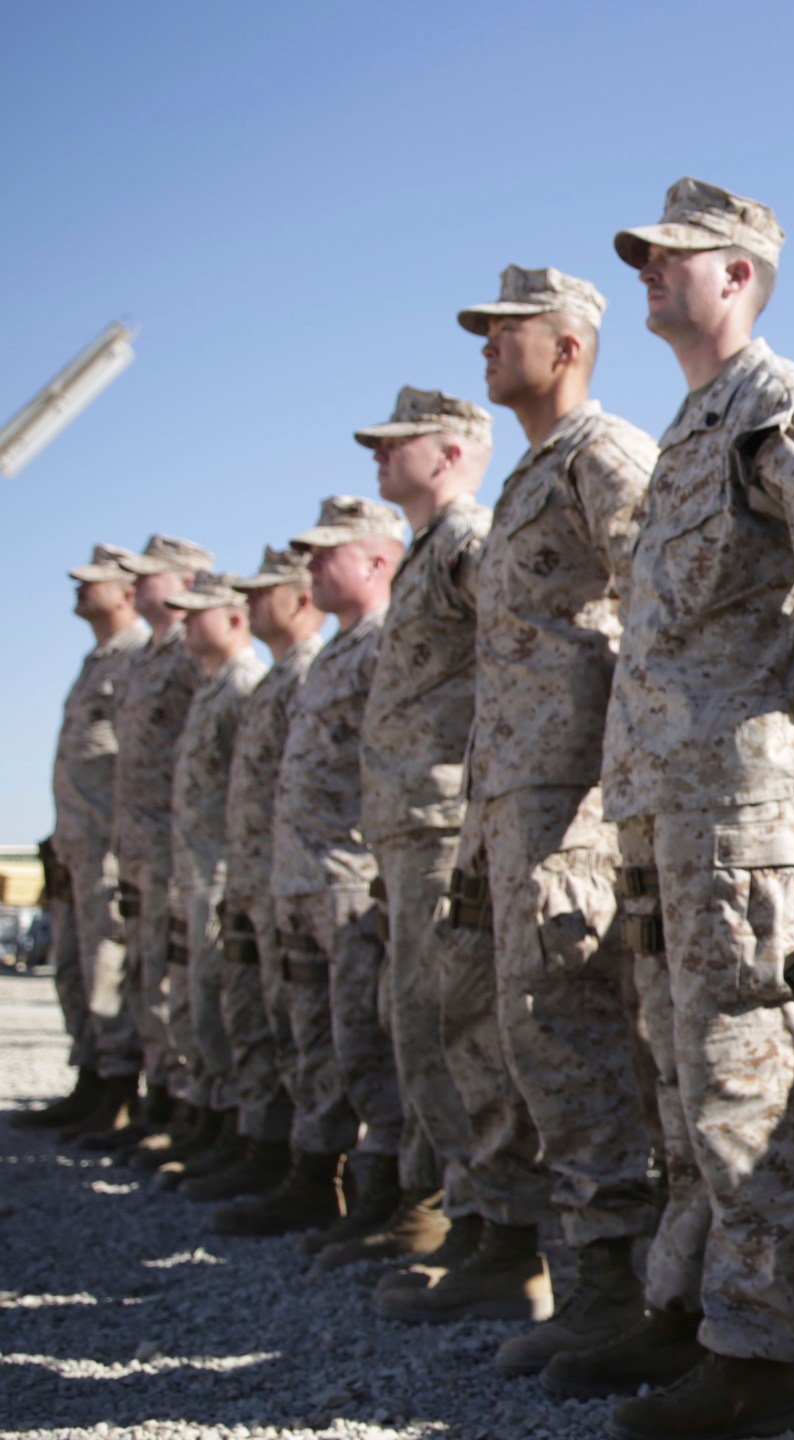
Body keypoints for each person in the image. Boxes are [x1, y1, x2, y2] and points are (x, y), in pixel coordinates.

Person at [545, 177, 794, 1440]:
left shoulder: (780, 408)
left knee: (741, 1081)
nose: (651, 274)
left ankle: (759, 1353)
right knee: (680, 1078)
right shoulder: (688, 431)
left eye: (677, 257)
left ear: (740, 275)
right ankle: (689, 1304)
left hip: (746, 814)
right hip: (668, 815)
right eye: (647, 258)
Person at [431, 265, 663, 1369]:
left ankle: (618, 1288)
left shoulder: (604, 457)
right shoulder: (533, 475)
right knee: (521, 1027)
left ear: (566, 346)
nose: (486, 345)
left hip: (575, 792)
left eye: (505, 329)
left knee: (573, 1033)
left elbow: (657, 611)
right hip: (512, 791)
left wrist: (612, 797)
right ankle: (572, 1268)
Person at [330, 387, 551, 1301]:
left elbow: (514, 656)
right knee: (420, 1025)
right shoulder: (431, 550)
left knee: (453, 1026)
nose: (380, 455)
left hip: (446, 822)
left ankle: (499, 1233)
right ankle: (466, 1213)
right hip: (408, 828)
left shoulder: (467, 542)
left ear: (455, 452)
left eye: (400, 441)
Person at [212, 498, 408, 1239]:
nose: (312, 568)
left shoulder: (385, 643)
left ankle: (387, 1189)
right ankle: (315, 1171)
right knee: (310, 1036)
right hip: (299, 877)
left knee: (365, 1040)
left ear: (376, 561)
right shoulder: (334, 654)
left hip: (351, 877)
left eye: (327, 553)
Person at [181, 545, 329, 1204]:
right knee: (259, 1013)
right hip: (254, 873)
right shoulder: (269, 679)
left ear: (298, 599)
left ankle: (312, 1164)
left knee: (313, 1027)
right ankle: (260, 1140)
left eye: (264, 591)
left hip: (298, 873)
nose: (250, 602)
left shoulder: (296, 673)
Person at [86, 534, 212, 1157]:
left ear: (185, 582)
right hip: (136, 843)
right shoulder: (145, 659)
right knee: (144, 971)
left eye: (151, 576)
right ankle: (154, 1095)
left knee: (174, 979)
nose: (137, 587)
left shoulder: (195, 654)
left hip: (176, 843)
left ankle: (182, 1103)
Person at [18, 545, 151, 1137]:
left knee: (106, 967)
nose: (79, 588)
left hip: (109, 845)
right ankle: (91, 1078)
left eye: (93, 582)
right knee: (72, 966)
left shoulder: (136, 659)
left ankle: (118, 1088)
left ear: (126, 593)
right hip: (75, 842)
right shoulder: (96, 661)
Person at [149, 573, 270, 1187]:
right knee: (199, 1003)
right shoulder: (212, 688)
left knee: (228, 1004)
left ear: (234, 620)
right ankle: (215, 1119)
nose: (187, 624)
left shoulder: (244, 684)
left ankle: (235, 1126)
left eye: (200, 614)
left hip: (227, 870)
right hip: (198, 870)